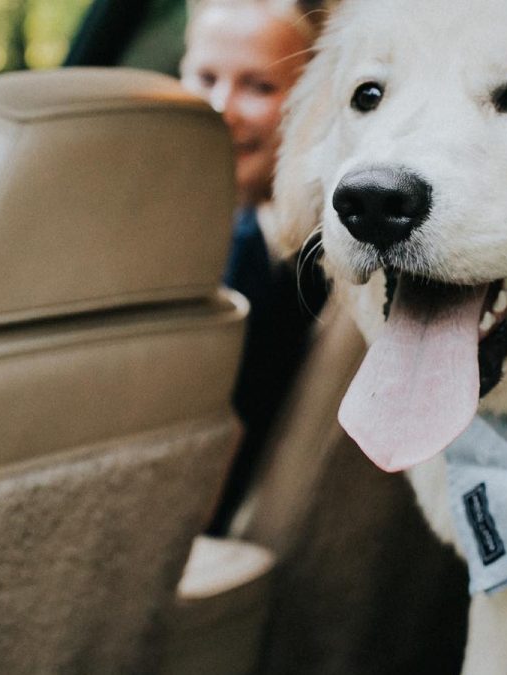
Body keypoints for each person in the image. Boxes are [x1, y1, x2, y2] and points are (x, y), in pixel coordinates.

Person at [181, 0, 327, 534]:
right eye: (205, 77)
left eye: (259, 87)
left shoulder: (260, 255)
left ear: (313, 102)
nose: (223, 106)